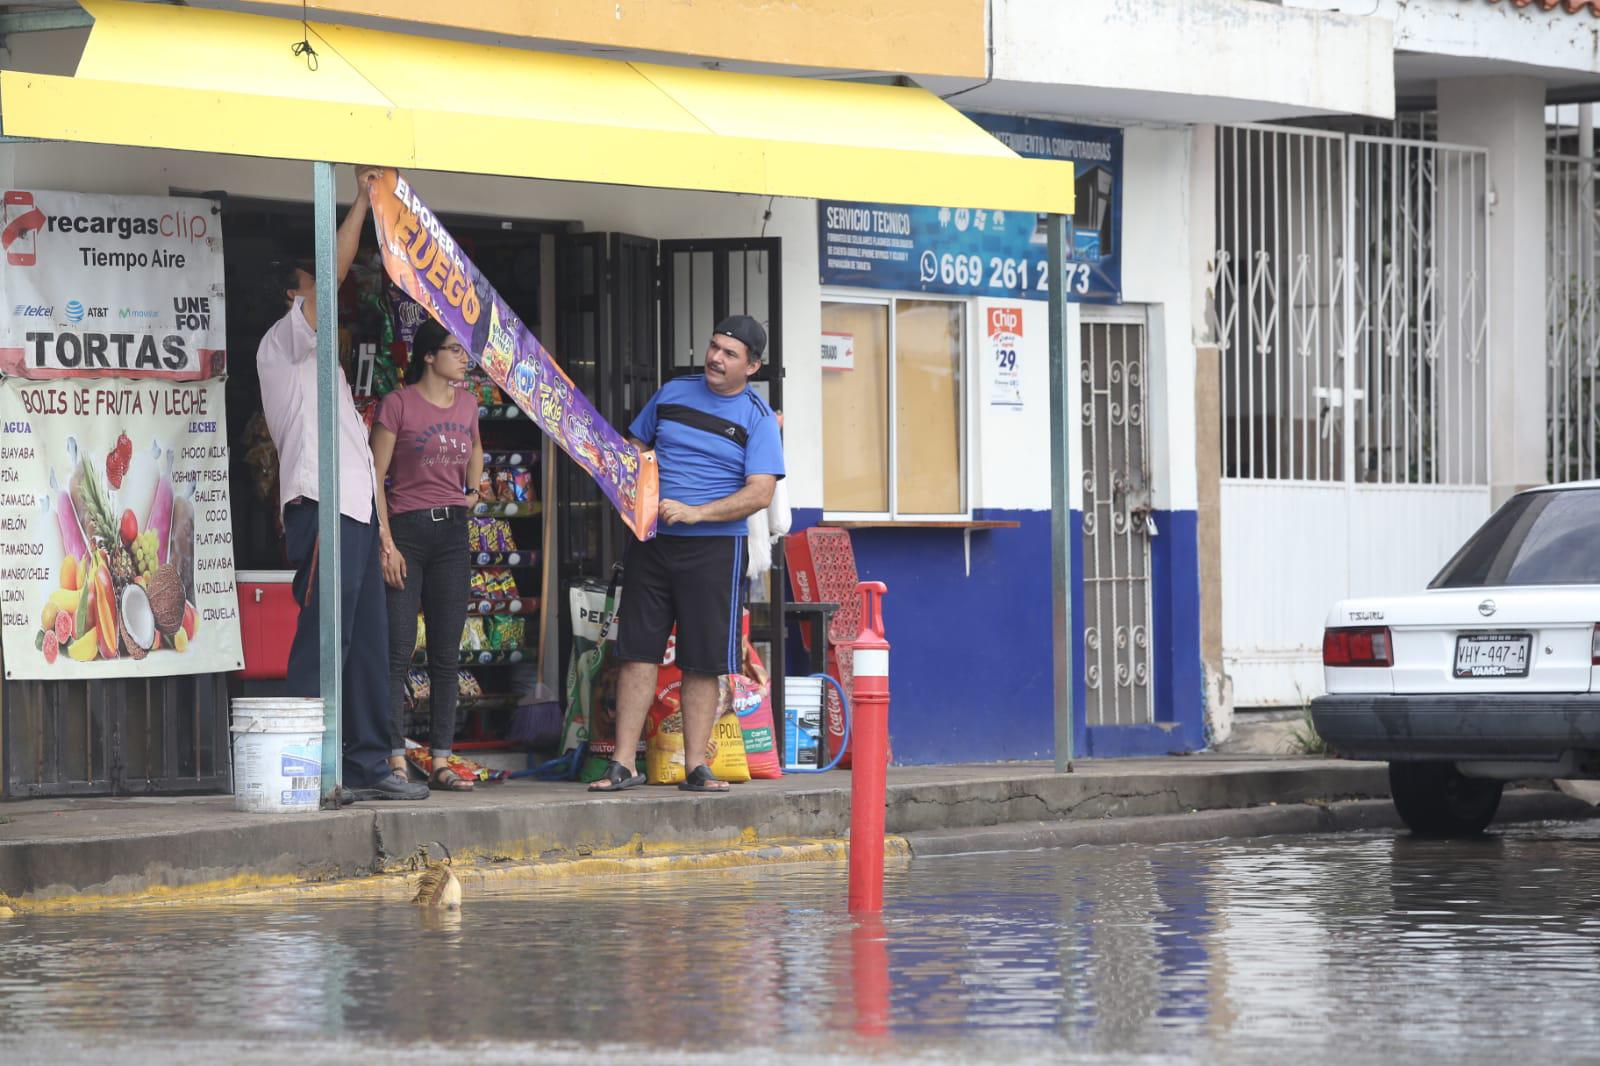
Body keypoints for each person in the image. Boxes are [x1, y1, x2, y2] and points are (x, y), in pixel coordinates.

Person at [258, 165, 428, 803]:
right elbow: (329, 279)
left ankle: (364, 764)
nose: (327, 298)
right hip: (322, 511)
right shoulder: (283, 347)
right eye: (311, 288)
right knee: (326, 637)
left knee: (364, 647)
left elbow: (365, 468)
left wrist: (385, 534)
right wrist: (358, 202)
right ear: (292, 297)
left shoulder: (324, 367)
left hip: (356, 515)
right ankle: (306, 766)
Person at [589, 315, 785, 794]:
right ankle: (622, 765)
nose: (715, 358)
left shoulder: (759, 418)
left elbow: (759, 493)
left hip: (715, 549)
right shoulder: (673, 392)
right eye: (714, 346)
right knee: (637, 652)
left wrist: (698, 513)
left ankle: (697, 767)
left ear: (752, 366)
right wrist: (633, 493)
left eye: (729, 353)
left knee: (703, 661)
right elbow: (636, 446)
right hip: (652, 542)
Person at [370, 320, 484, 792]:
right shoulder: (397, 404)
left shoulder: (469, 404)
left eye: (464, 351)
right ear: (429, 357)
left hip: (453, 533)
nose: (464, 359)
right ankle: (394, 757)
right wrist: (386, 541)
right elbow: (374, 476)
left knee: (445, 654)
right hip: (407, 532)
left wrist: (473, 492)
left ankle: (440, 758)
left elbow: (476, 448)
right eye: (455, 350)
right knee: (397, 650)